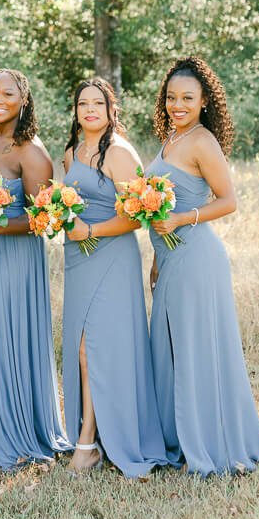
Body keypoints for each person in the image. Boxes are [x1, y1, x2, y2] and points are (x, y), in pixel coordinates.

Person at [147, 56, 259, 475]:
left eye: (187, 98)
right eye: (171, 98)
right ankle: (177, 437)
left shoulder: (201, 141)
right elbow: (156, 207)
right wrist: (155, 260)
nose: (177, 105)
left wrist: (182, 219)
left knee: (196, 349)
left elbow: (229, 201)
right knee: (169, 348)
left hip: (198, 255)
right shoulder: (170, 139)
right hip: (169, 259)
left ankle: (207, 441)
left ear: (204, 102)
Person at [62, 78, 167, 477]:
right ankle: (93, 435)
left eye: (97, 103)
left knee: (96, 350)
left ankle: (88, 443)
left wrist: (89, 231)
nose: (89, 110)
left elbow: (137, 216)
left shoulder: (120, 153)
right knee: (79, 349)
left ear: (110, 109)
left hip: (111, 257)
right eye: (82, 103)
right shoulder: (73, 152)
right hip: (78, 260)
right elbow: (68, 200)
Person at [0, 68, 70, 469]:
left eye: (6, 94)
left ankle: (13, 429)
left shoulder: (32, 152)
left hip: (13, 260)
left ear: (23, 99)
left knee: (1, 340)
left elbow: (44, 220)